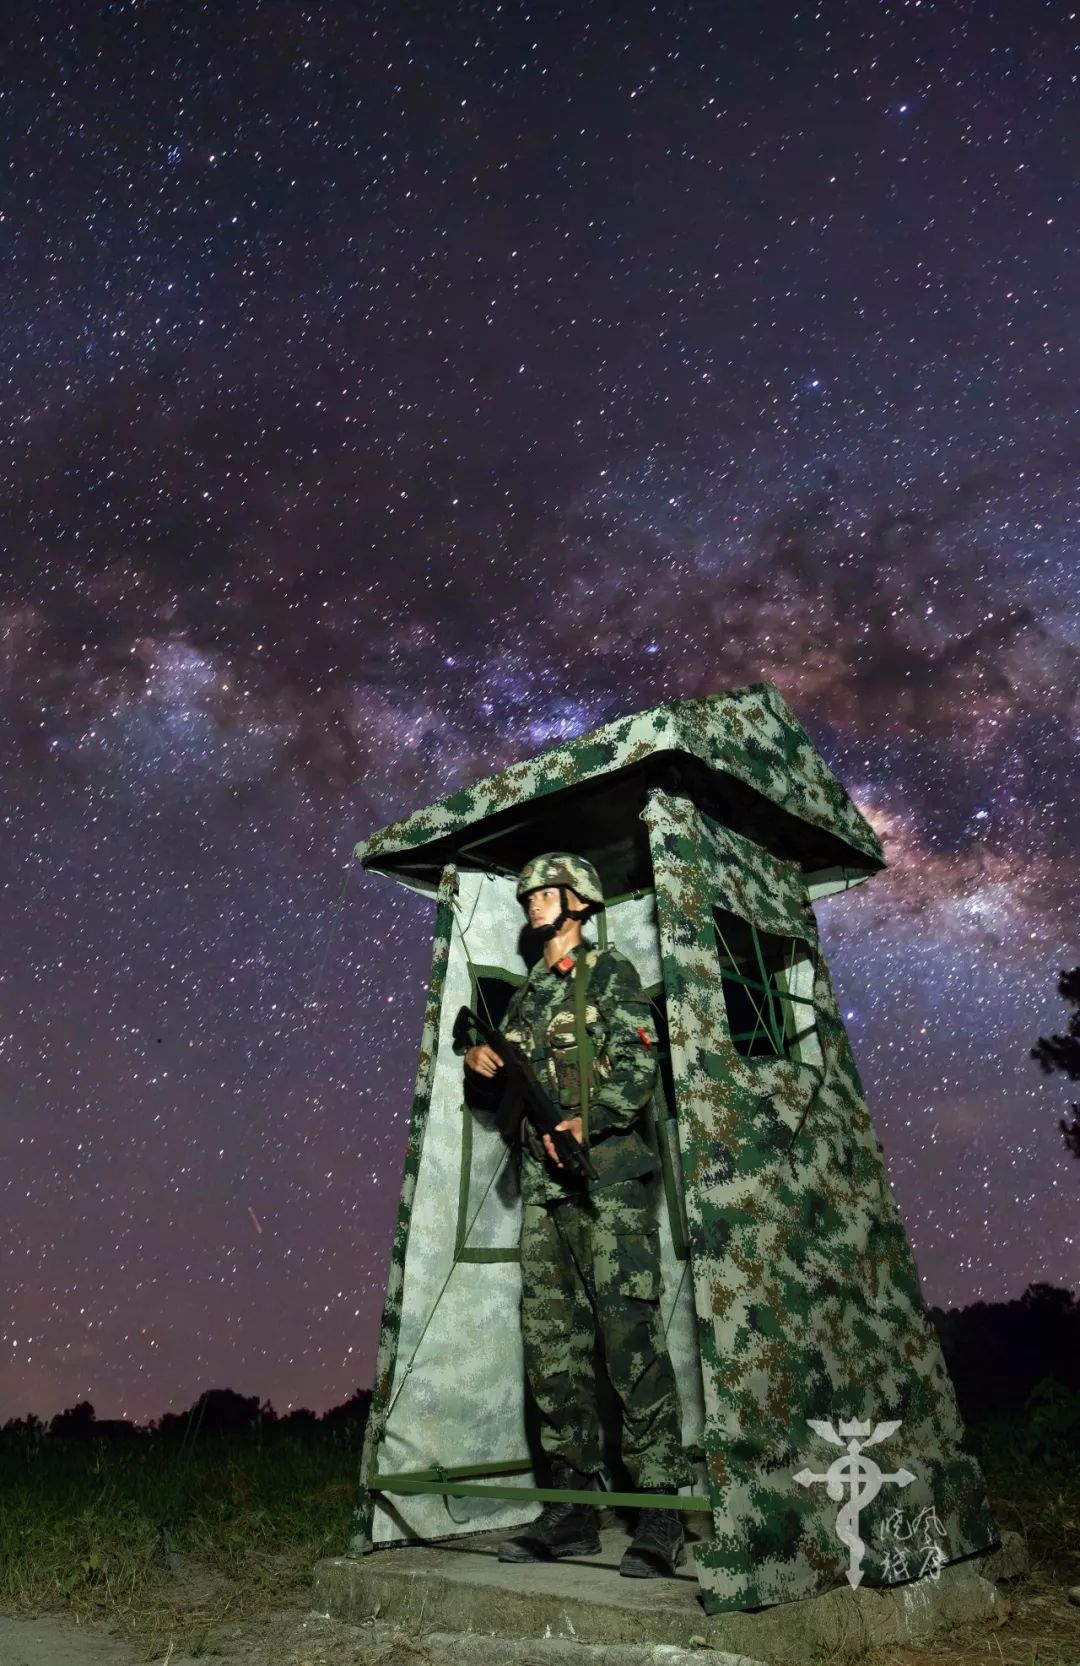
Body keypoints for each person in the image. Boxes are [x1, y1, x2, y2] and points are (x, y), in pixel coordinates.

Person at [462, 852, 689, 1578]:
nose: (533, 900)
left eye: (546, 891)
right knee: (552, 1349)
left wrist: (594, 1123)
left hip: (610, 1186)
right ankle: (570, 1511)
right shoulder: (527, 998)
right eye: (527, 891)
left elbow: (640, 1068)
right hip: (544, 1190)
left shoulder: (611, 974)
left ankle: (659, 1513)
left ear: (580, 903)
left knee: (630, 1343)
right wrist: (483, 1062)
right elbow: (512, 1086)